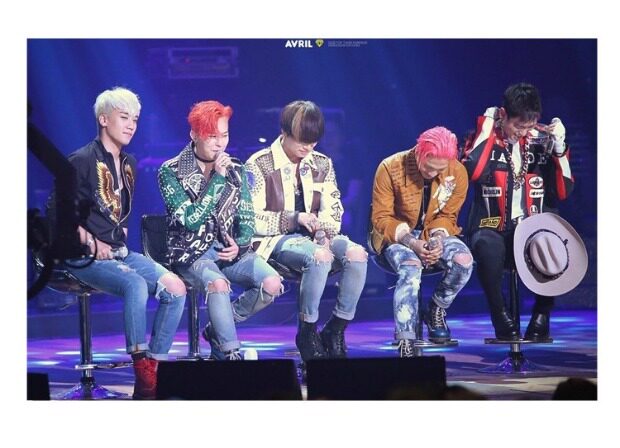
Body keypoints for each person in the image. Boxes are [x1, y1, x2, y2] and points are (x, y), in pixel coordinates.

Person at [54, 87, 187, 399]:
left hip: (119, 252)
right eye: (124, 117)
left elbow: (120, 209)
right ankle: (141, 366)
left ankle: (154, 368)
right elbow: (58, 212)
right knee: (135, 285)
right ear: (104, 119)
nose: (131, 125)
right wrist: (91, 240)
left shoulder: (129, 163)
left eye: (135, 119)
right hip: (83, 256)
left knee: (176, 288)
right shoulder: (81, 160)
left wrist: (119, 233)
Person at [244, 100, 368, 362]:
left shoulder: (322, 163)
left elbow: (333, 208)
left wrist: (325, 232)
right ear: (284, 132)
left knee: (357, 255)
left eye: (313, 142)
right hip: (274, 240)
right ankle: (308, 332)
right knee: (319, 257)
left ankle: (336, 329)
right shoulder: (259, 164)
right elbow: (250, 219)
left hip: (315, 238)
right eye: (302, 141)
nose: (308, 148)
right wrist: (294, 218)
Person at [158, 100, 282, 360]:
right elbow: (190, 220)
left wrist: (240, 244)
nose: (219, 143)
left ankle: (217, 330)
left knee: (272, 283)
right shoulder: (170, 171)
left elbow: (246, 217)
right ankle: (230, 353)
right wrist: (217, 178)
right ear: (194, 135)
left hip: (228, 252)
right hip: (191, 253)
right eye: (212, 136)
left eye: (224, 135)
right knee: (218, 284)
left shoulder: (236, 168)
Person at [462, 82, 574, 341]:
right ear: (503, 114)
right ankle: (500, 315)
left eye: (528, 126)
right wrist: (487, 124)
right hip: (492, 225)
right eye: (517, 126)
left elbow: (563, 191)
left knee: (550, 242)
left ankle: (542, 314)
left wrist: (559, 148)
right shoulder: (485, 137)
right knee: (487, 245)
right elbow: (473, 171)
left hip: (533, 226)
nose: (522, 132)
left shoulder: (541, 140)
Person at [370, 126, 473, 358]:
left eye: (439, 169)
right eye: (428, 167)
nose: (433, 173)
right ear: (419, 152)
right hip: (395, 236)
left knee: (463, 261)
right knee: (411, 267)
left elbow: (448, 215)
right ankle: (406, 339)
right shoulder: (390, 167)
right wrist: (412, 243)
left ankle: (436, 308)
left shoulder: (457, 171)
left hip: (433, 233)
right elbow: (382, 218)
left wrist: (437, 239)